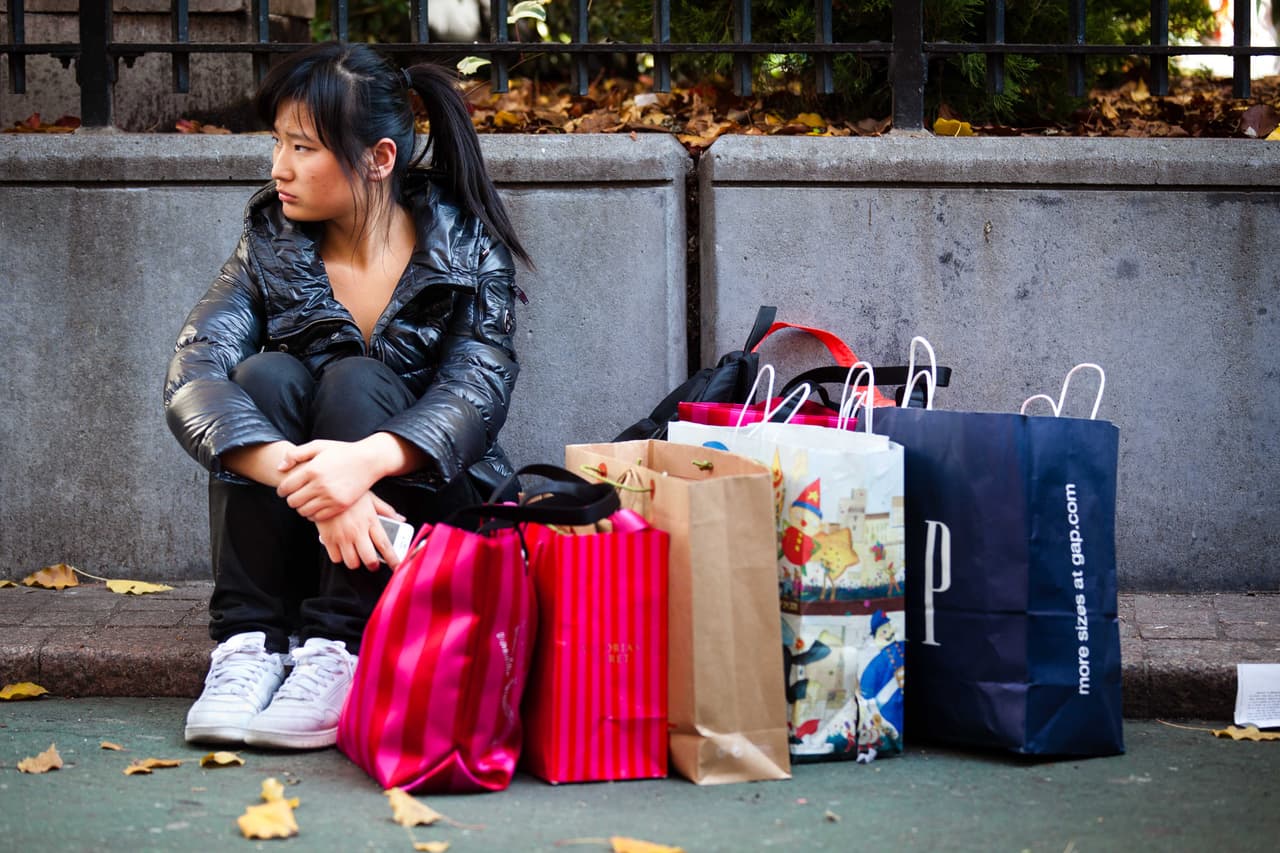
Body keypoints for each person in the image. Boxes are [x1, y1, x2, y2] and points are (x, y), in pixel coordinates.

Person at [163, 42, 530, 750]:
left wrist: (363, 466)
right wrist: (325, 487)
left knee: (357, 379)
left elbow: (477, 389)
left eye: (302, 147)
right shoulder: (270, 244)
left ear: (379, 158)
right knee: (261, 377)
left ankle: (341, 650)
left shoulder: (465, 247)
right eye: (278, 142)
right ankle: (249, 643)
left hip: (420, 530)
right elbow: (194, 374)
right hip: (317, 535)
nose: (279, 168)